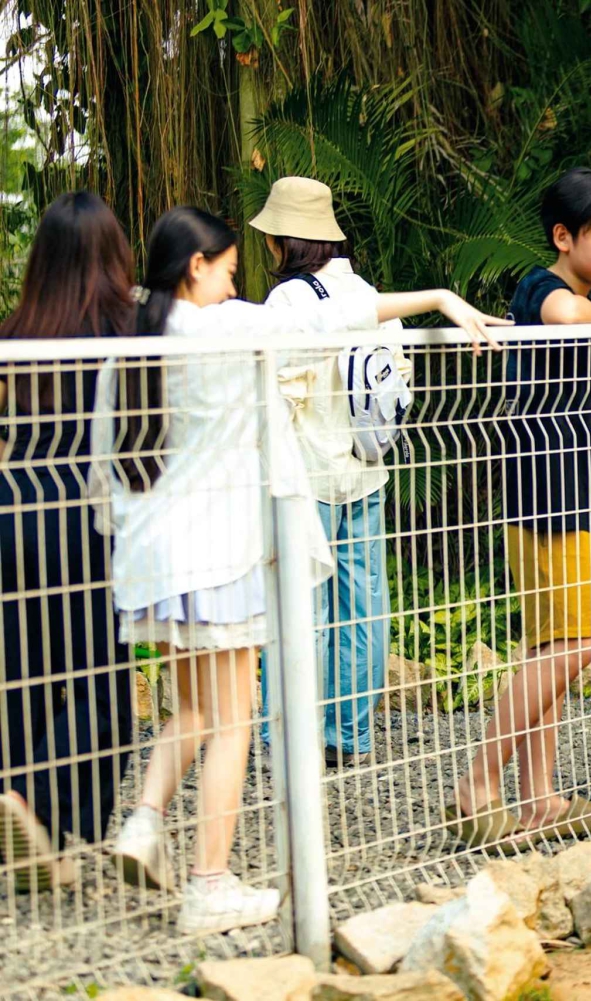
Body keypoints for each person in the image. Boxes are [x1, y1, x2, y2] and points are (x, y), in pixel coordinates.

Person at [100, 206, 506, 935]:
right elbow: (334, 319)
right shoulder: (225, 328)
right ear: (197, 266)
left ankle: (144, 819)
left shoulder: (129, 339)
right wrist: (440, 297)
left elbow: (108, 462)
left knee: (191, 707)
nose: (234, 287)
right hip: (219, 553)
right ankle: (209, 883)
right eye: (228, 271)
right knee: (233, 719)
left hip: (154, 559)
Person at [451, 167, 591, 845]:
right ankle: (477, 782)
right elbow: (561, 314)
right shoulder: (543, 286)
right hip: (553, 494)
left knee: (551, 644)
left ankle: (538, 797)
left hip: (567, 489)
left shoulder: (575, 295)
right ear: (563, 236)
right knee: (577, 644)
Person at [0, 191, 137, 893]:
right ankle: (36, 809)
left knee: (23, 683)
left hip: (12, 514)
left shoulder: (15, 332)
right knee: (102, 692)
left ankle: (32, 839)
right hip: (86, 522)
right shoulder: (128, 330)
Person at [248, 176, 408, 770]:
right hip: (365, 469)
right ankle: (351, 735)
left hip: (304, 475)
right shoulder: (367, 292)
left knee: (301, 607)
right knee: (362, 604)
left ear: (281, 240)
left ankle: (293, 738)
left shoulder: (288, 300)